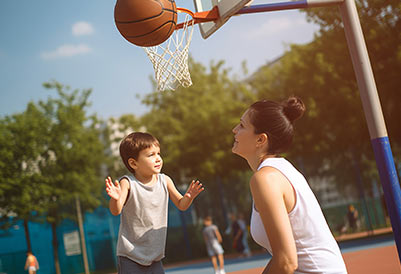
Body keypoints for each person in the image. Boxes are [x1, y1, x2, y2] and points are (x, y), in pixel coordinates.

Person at [232, 97, 347, 273]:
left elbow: (286, 261)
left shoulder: (265, 179)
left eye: (241, 125)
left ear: (261, 140)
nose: (234, 130)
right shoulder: (281, 170)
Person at [105, 132, 204, 274]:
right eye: (151, 155)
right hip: (130, 257)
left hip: (155, 258)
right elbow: (116, 210)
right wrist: (115, 198)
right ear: (133, 163)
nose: (158, 158)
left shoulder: (165, 180)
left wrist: (189, 196)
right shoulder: (128, 183)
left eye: (158, 153)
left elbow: (182, 205)